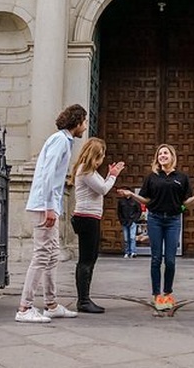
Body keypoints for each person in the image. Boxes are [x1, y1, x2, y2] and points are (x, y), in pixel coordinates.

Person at [16, 104, 88, 324]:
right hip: (43, 206)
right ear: (77, 123)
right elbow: (48, 175)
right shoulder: (60, 141)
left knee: (52, 254)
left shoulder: (62, 140)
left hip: (47, 205)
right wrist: (49, 206)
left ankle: (51, 304)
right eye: (84, 122)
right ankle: (25, 307)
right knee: (41, 255)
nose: (85, 127)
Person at [117, 144, 194, 311]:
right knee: (156, 258)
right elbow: (146, 200)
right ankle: (156, 295)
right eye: (160, 154)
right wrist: (131, 195)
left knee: (170, 260)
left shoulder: (181, 177)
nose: (162, 156)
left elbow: (185, 203)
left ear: (172, 156)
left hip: (173, 220)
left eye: (165, 153)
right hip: (155, 219)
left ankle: (167, 293)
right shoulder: (152, 177)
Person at [71, 137, 125, 314]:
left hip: (89, 217)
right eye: (101, 156)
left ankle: (85, 299)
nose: (102, 160)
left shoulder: (88, 171)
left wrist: (109, 175)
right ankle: (83, 300)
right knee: (86, 260)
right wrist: (113, 176)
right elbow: (103, 189)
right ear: (94, 155)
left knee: (90, 259)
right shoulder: (86, 171)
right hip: (87, 218)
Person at [117, 192, 141, 258]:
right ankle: (127, 252)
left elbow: (139, 211)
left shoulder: (135, 201)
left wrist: (135, 220)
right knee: (126, 238)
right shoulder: (121, 201)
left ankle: (133, 252)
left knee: (132, 237)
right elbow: (119, 212)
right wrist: (121, 220)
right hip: (124, 221)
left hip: (132, 221)